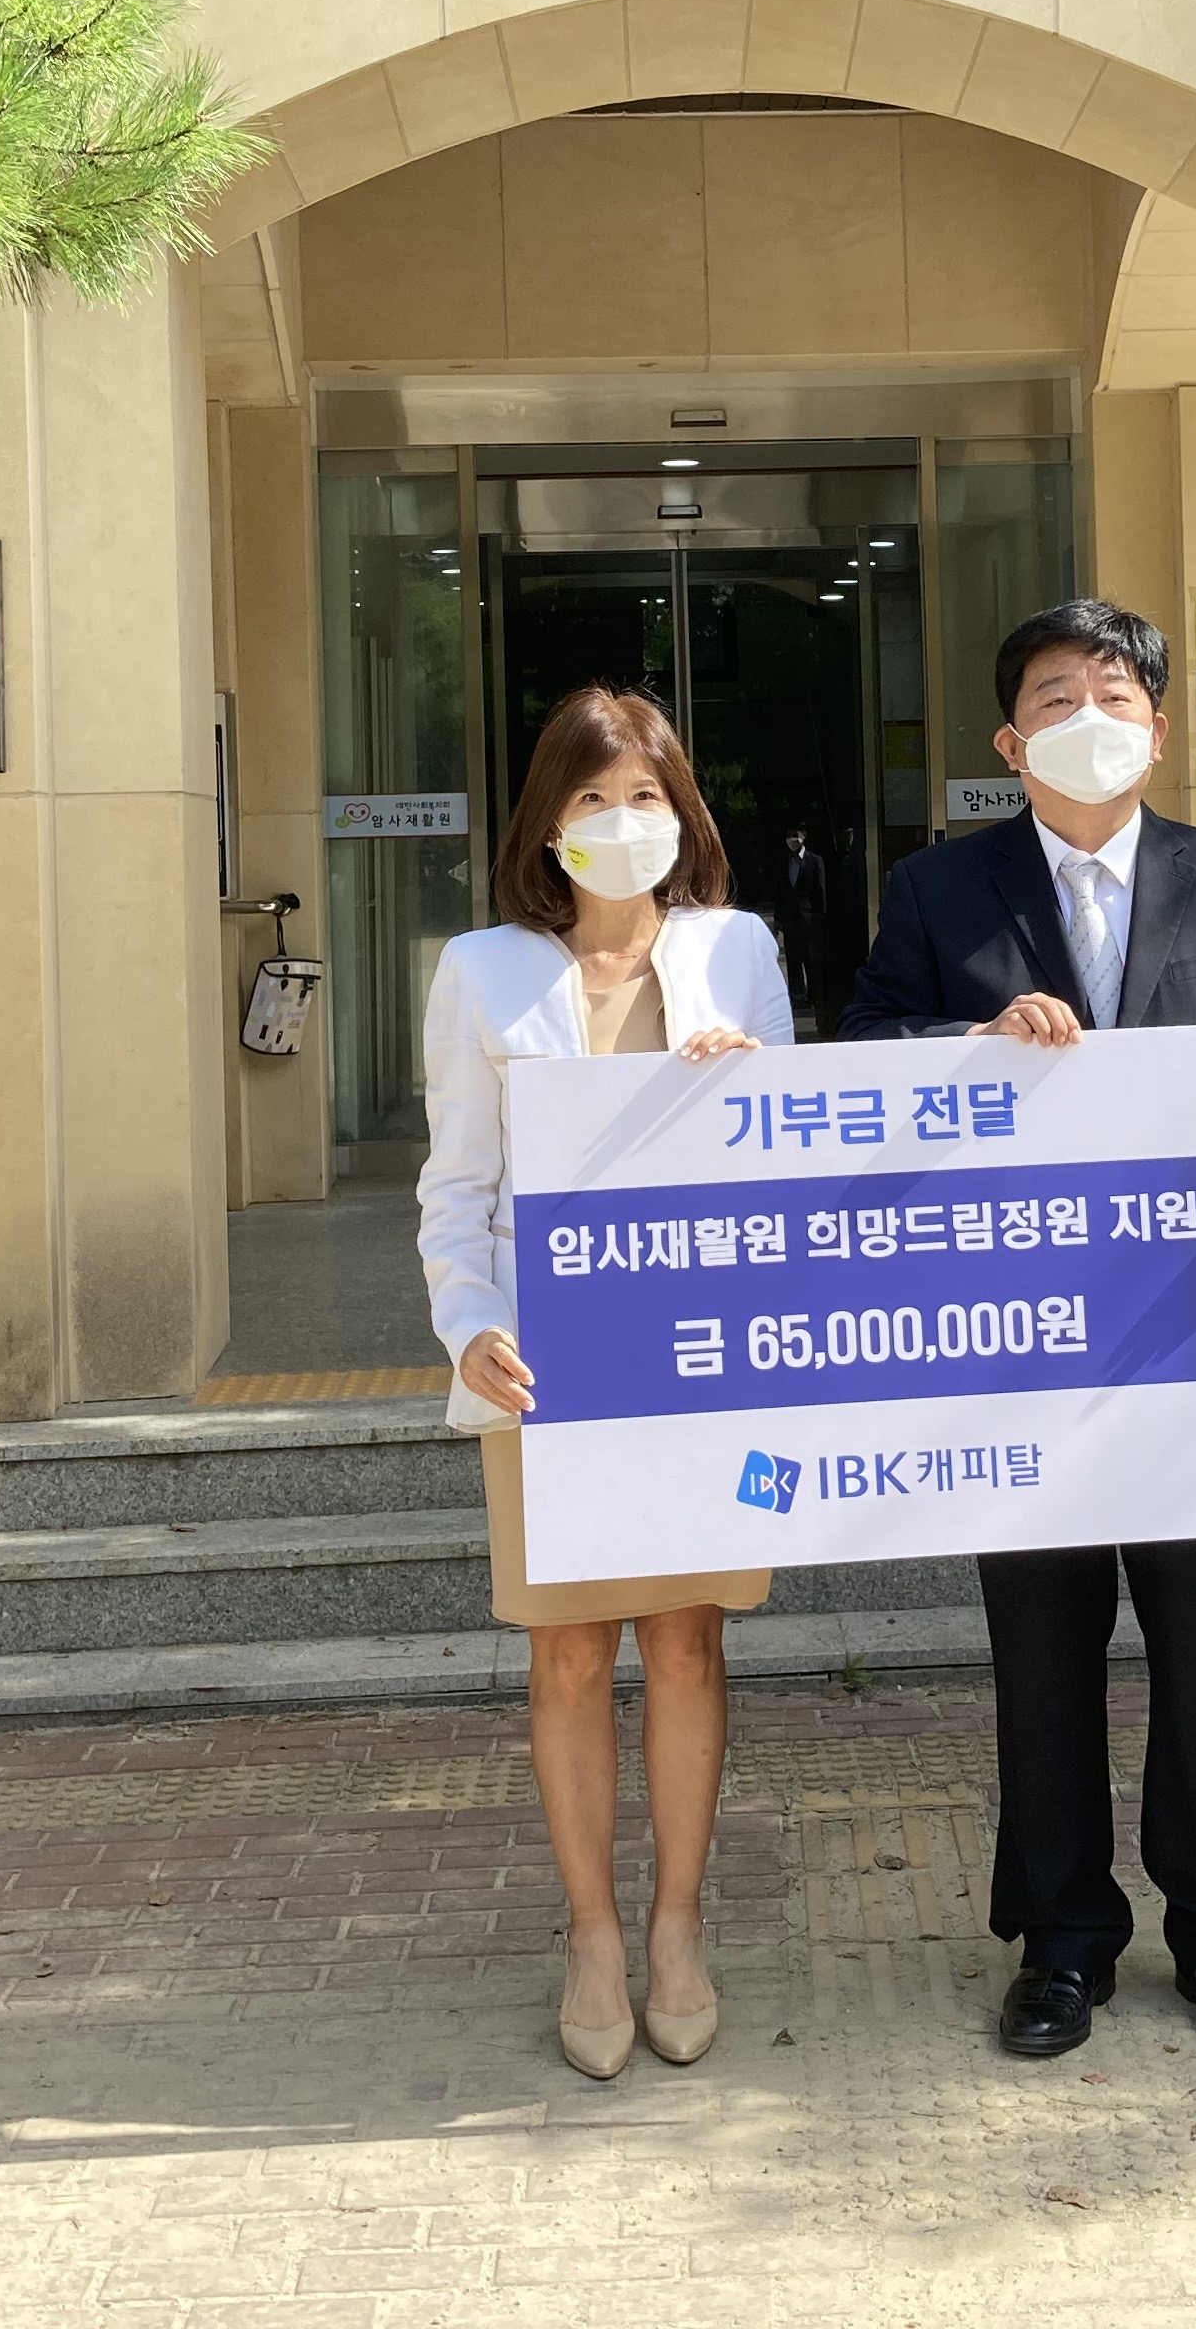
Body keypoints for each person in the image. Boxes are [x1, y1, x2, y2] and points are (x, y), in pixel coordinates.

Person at [840, 599, 1196, 2064]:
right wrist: (968, 1042)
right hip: (1022, 1351)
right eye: (1057, 696)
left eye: (1118, 694)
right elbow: (863, 1050)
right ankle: (1062, 1939)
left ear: (1159, 727)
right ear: (1010, 742)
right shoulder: (942, 892)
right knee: (1044, 1656)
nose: (1091, 716)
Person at [419, 685, 796, 2081]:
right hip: (547, 1367)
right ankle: (590, 1934)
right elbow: (457, 1188)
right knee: (570, 1655)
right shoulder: (482, 971)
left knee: (687, 1643)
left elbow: (796, 1161)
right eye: (591, 798)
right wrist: (469, 1326)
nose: (621, 821)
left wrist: (749, 1091)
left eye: (645, 796)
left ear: (681, 814)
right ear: (548, 823)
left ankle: (678, 1926)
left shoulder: (736, 950)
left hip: (696, 1359)